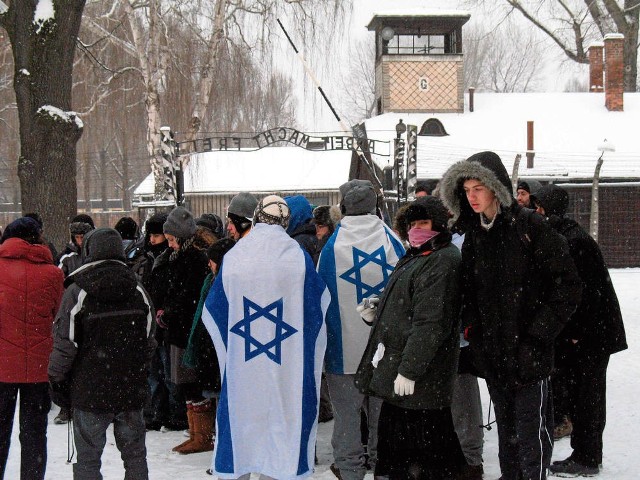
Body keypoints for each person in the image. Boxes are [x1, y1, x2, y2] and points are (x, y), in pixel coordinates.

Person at [439, 151, 582, 480]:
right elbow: (470, 291)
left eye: (478, 188)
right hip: (494, 355)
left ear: (495, 187)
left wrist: (537, 336)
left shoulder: (530, 226)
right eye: (466, 190)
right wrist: (475, 331)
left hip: (531, 356)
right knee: (507, 437)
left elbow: (568, 286)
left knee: (530, 436)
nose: (472, 197)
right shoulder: (476, 233)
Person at [202, 195, 329, 479]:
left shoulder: (236, 257)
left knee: (243, 416)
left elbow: (214, 310)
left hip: (243, 362)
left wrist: (233, 346)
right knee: (283, 418)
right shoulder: (296, 257)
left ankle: (243, 466)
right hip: (287, 362)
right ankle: (278, 469)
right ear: (286, 221)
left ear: (257, 217)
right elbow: (317, 307)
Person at [355, 196, 466, 480]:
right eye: (412, 223)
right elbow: (408, 303)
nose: (416, 229)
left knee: (426, 454)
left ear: (439, 225)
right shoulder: (418, 254)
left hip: (422, 378)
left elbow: (431, 323)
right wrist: (378, 310)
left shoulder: (442, 260)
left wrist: (409, 370)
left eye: (424, 222)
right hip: (403, 370)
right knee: (401, 449)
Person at [530, 184, 627, 477]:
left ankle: (586, 458)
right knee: (583, 396)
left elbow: (584, 293)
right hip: (589, 333)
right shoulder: (568, 235)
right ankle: (584, 453)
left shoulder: (572, 240)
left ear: (547, 209)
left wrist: (576, 332)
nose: (535, 213)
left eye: (538, 208)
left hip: (591, 336)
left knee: (588, 399)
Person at [48, 227, 155, 480]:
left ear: (88, 251)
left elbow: (66, 341)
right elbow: (149, 337)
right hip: (129, 388)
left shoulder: (78, 290)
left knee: (87, 460)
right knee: (135, 456)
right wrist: (138, 369)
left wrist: (56, 378)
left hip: (90, 389)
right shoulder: (137, 288)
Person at [317, 179, 405, 480]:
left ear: (343, 207)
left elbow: (322, 299)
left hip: (344, 351)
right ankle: (382, 468)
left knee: (347, 420)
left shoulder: (331, 248)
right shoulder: (392, 242)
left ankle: (349, 469)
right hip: (384, 352)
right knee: (383, 419)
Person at [0, 218, 64, 480]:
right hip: (40, 366)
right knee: (35, 433)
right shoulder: (52, 273)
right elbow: (59, 317)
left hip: (2, 367)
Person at [160, 206, 211, 453]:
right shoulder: (180, 258)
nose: (169, 245)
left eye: (171, 240)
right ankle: (196, 433)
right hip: (179, 329)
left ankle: (202, 435)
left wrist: (169, 313)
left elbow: (188, 296)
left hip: (187, 331)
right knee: (183, 383)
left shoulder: (193, 260)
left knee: (190, 382)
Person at [182, 238, 235, 463]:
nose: (209, 265)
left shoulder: (226, 284)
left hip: (221, 351)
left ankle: (224, 449)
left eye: (212, 261)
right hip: (211, 348)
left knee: (226, 403)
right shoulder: (211, 281)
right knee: (218, 400)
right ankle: (212, 441)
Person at [57, 214, 95, 278]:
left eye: (82, 237)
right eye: (77, 237)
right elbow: (58, 278)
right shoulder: (66, 257)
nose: (80, 242)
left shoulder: (97, 253)